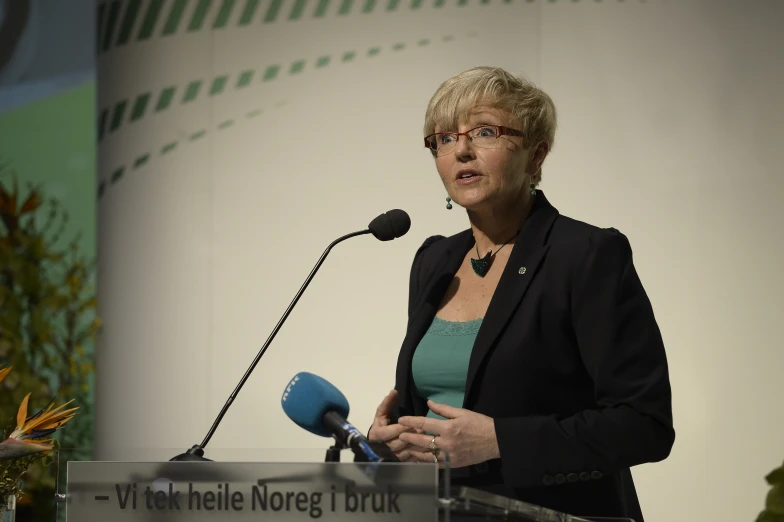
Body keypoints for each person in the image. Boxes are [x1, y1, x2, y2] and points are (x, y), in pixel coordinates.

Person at [366, 66, 674, 522]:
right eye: (444, 138)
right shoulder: (434, 261)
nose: (462, 150)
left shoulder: (585, 255)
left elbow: (642, 424)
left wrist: (499, 442)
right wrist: (393, 443)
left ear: (536, 155)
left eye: (485, 132)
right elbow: (434, 415)